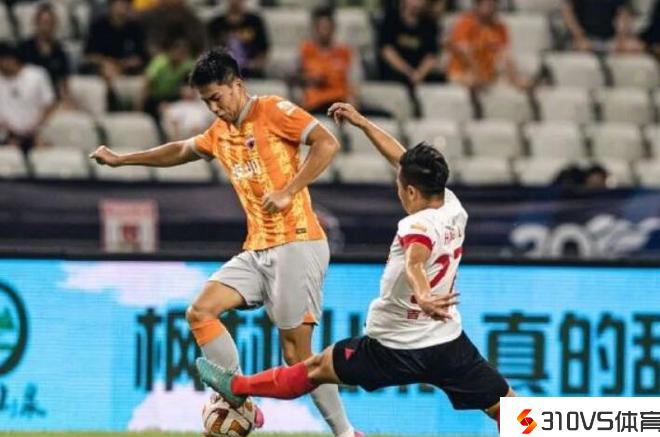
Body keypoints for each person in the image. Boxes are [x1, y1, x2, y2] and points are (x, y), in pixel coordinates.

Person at [196, 102, 514, 435]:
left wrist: (422, 294)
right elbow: (402, 160)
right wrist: (363, 124)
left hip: (393, 348)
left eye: (399, 185)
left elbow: (415, 262)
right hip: (447, 344)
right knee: (508, 407)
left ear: (410, 191)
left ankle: (238, 386)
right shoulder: (452, 206)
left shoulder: (416, 225)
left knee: (315, 369)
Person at [89, 49, 362, 437]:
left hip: (298, 241)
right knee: (200, 312)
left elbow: (327, 143)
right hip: (258, 248)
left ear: (237, 85)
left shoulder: (273, 110)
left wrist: (289, 190)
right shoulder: (220, 132)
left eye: (217, 98)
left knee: (297, 353)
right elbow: (180, 150)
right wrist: (123, 160)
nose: (214, 108)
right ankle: (239, 400)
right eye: (206, 102)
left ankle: (346, 433)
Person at [377, 0, 443, 115]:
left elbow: (431, 55)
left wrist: (419, 74)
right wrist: (408, 72)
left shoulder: (430, 23)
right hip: (396, 72)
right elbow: (387, 51)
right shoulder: (391, 18)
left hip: (420, 74)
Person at [447, 0, 530, 90]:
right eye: (488, 4)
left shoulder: (500, 27)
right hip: (462, 73)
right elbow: (464, 52)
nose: (492, 8)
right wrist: (478, 74)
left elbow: (505, 55)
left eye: (494, 4)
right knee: (472, 81)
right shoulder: (465, 23)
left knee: (521, 84)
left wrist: (515, 78)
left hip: (487, 76)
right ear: (477, 5)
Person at [0, 43, 56, 152]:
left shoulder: (37, 75)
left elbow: (49, 103)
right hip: (5, 134)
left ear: (10, 60)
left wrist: (36, 127)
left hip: (35, 132)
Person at [300, 6, 356, 114]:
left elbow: (354, 83)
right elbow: (293, 77)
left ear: (334, 27)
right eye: (321, 27)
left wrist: (353, 105)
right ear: (314, 28)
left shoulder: (345, 52)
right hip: (314, 105)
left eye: (327, 27)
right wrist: (308, 80)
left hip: (340, 104)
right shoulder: (305, 50)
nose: (324, 31)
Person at [18, 2, 70, 100]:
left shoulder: (60, 51)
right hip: (29, 95)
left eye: (51, 23)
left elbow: (63, 81)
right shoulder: (24, 48)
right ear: (36, 23)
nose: (47, 27)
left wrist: (66, 99)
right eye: (44, 22)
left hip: (53, 98)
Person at [83, 0, 147, 79]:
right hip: (100, 71)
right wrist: (105, 62)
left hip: (128, 71)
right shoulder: (98, 26)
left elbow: (141, 57)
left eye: (126, 5)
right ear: (111, 6)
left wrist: (123, 64)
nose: (123, 8)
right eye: (120, 4)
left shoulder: (136, 28)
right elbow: (88, 56)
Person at [207, 0, 269, 78]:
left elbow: (263, 51)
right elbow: (208, 50)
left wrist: (253, 64)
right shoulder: (215, 24)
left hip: (250, 71)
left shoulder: (255, 22)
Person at [138, 35, 194, 121]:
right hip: (155, 98)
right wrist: (140, 104)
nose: (180, 55)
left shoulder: (187, 63)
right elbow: (147, 82)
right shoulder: (159, 62)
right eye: (177, 51)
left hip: (173, 97)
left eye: (183, 53)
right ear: (171, 51)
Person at [561, 0, 642, 53]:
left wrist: (621, 40)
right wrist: (579, 38)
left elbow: (623, 14)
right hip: (584, 38)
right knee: (580, 49)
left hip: (611, 39)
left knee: (635, 47)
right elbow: (567, 13)